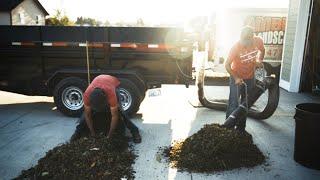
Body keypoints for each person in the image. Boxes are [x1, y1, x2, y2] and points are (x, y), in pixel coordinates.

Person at [70, 75, 141, 143]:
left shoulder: (111, 94)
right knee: (86, 113)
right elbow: (87, 115)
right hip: (99, 82)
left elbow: (114, 116)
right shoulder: (86, 95)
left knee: (120, 111)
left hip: (112, 83)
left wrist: (109, 135)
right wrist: (93, 133)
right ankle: (77, 132)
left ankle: (135, 131)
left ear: (106, 99)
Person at [224, 26, 265, 132]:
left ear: (252, 38)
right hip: (236, 77)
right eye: (243, 41)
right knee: (234, 103)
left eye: (247, 41)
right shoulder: (236, 47)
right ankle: (228, 129)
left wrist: (259, 60)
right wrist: (236, 78)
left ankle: (241, 128)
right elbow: (227, 64)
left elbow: (262, 50)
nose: (244, 43)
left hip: (250, 78)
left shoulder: (258, 41)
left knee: (245, 103)